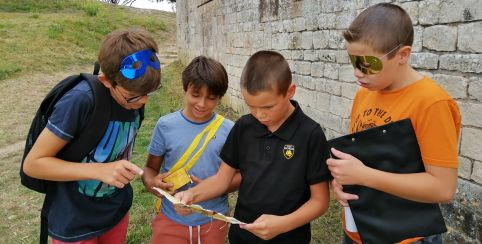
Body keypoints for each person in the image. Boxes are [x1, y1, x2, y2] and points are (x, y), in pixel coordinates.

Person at [326, 3, 461, 244]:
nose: (357, 73)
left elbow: (443, 189)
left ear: (403, 55)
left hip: (408, 237)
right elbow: (359, 157)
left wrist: (364, 176)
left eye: (367, 64)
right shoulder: (364, 94)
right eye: (353, 61)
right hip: (359, 229)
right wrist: (342, 182)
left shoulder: (431, 103)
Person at [175, 50, 331, 244]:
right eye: (251, 106)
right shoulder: (243, 127)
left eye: (267, 107)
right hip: (243, 235)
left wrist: (283, 224)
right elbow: (221, 181)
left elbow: (320, 201)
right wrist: (191, 195)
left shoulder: (310, 134)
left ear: (290, 92)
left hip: (290, 237)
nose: (259, 115)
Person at [23, 28, 161, 243]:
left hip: (114, 211)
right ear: (106, 81)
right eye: (134, 96)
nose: (144, 102)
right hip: (75, 219)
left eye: (149, 92)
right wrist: (99, 170)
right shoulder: (80, 101)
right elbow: (33, 164)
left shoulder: (133, 97)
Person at [142, 56, 239, 244]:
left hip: (213, 220)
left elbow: (240, 176)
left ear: (220, 97)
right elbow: (149, 169)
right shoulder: (165, 125)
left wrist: (217, 185)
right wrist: (152, 183)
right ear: (185, 89)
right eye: (196, 95)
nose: (202, 104)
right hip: (171, 219)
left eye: (211, 98)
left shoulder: (230, 130)